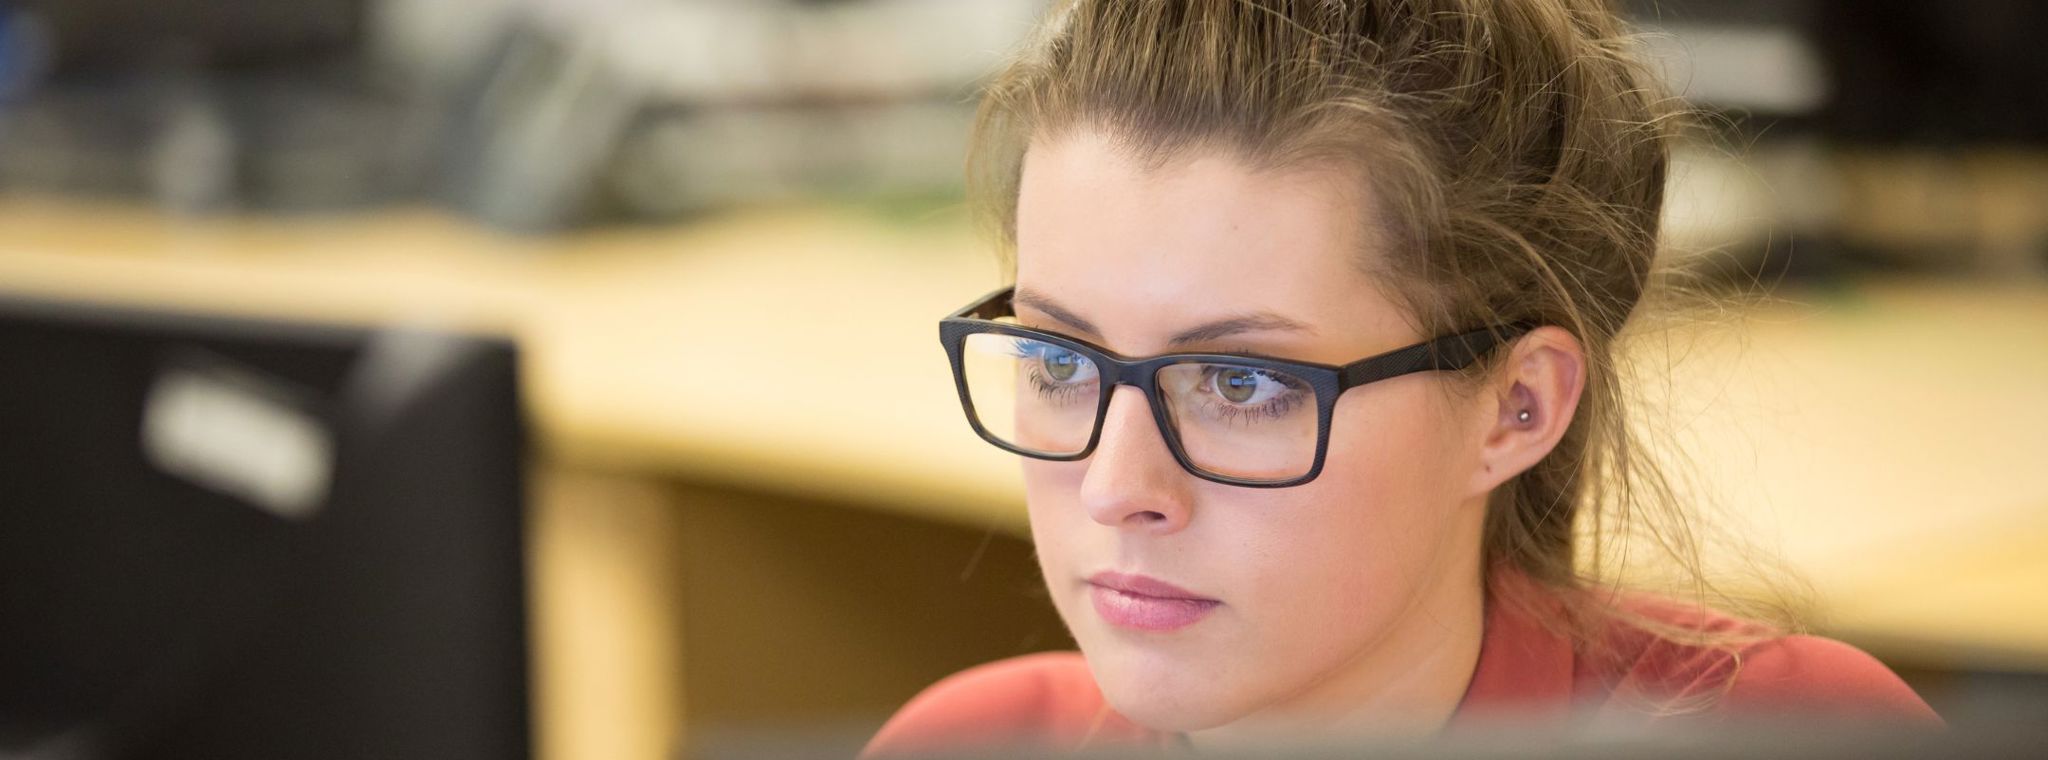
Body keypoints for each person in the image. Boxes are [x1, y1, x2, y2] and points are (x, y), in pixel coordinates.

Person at [867, 0, 1938, 754]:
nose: (1115, 488)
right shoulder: (963, 742)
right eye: (1060, 359)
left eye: (1240, 384)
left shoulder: (1804, 737)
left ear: (1515, 407)